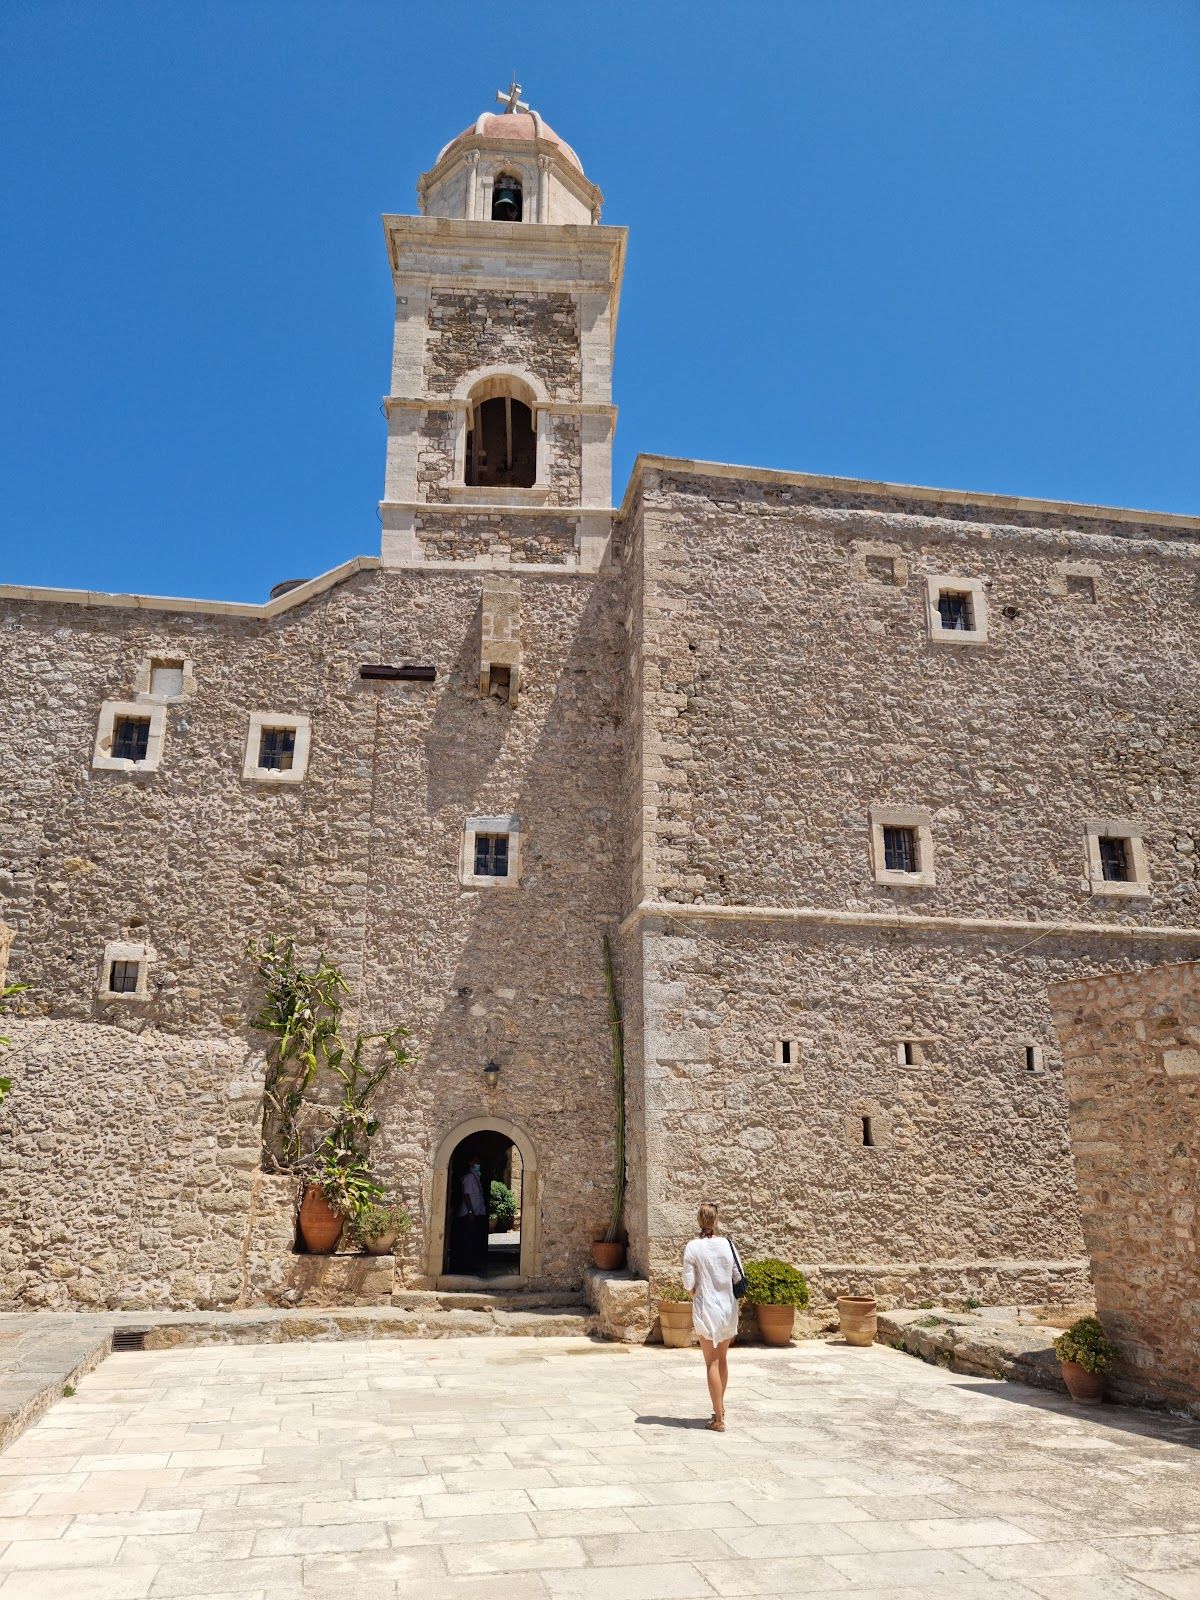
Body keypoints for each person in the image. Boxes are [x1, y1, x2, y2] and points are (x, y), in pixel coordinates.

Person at [681, 1201, 740, 1431]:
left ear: (699, 1221)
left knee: (711, 1362)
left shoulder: (693, 1247)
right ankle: (720, 1407)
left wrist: (695, 1290)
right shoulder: (728, 1245)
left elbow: (688, 1282)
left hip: (707, 1309)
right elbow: (737, 1276)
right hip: (727, 1308)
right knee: (722, 1359)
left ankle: (718, 1419)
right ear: (716, 1220)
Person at [453, 1158, 488, 1272]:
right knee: (467, 1241)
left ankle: (471, 1264)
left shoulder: (475, 1177)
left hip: (475, 1213)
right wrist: (470, 1211)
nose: (478, 1164)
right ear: (470, 1163)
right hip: (468, 1215)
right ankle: (465, 1266)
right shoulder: (469, 1177)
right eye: (476, 1162)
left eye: (479, 1162)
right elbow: (466, 1195)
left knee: (472, 1240)